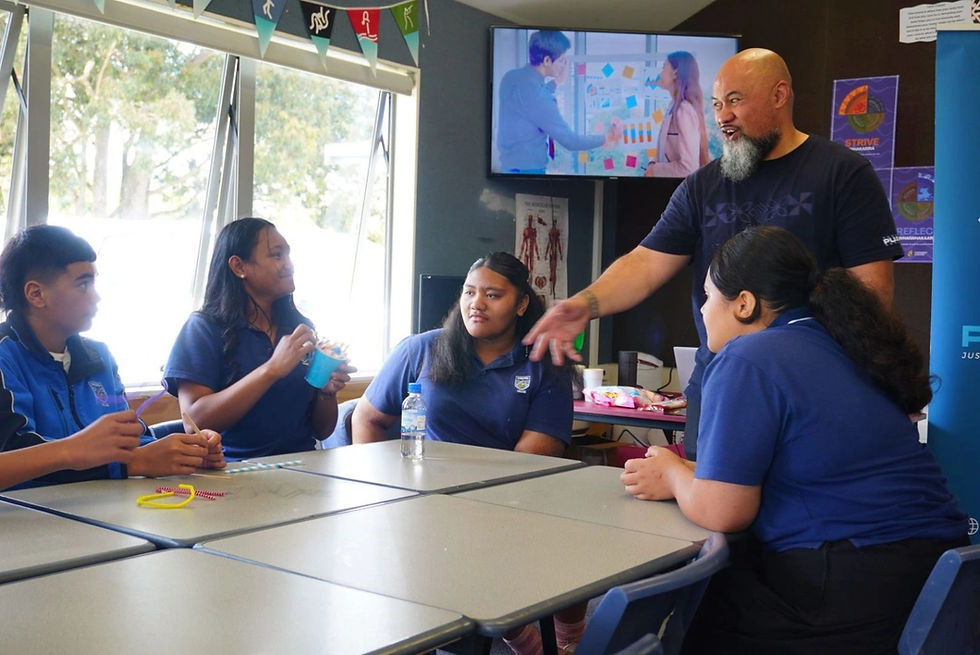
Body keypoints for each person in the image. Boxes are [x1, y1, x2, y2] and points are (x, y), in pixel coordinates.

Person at [523, 48, 903, 460]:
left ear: (779, 96)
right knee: (711, 510)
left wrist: (854, 374)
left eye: (736, 100)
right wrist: (586, 304)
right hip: (720, 380)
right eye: (718, 103)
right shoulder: (702, 186)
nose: (722, 116)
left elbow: (872, 291)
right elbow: (647, 262)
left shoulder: (842, 173)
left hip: (812, 381)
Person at [621, 226, 967, 654]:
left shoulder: (748, 357)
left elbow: (724, 511)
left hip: (851, 583)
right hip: (939, 577)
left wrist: (673, 475)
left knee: (704, 608)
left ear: (744, 304)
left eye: (709, 296)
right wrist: (694, 473)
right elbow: (812, 468)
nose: (704, 309)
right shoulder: (848, 345)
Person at [352, 252, 582, 654]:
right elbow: (367, 418)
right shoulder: (421, 349)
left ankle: (548, 637)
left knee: (570, 557)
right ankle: (516, 633)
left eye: (493, 295)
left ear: (522, 303)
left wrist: (481, 510)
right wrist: (380, 490)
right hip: (422, 510)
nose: (476, 304)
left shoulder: (544, 362)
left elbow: (535, 455)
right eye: (469, 292)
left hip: (509, 507)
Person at [0, 225, 224, 489]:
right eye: (83, 284)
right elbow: (14, 450)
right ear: (36, 294)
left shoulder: (99, 357)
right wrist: (131, 464)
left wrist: (183, 454)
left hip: (99, 512)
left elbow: (132, 439)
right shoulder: (7, 357)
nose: (96, 296)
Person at [164, 217, 353, 460]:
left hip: (304, 469)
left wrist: (326, 392)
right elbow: (194, 422)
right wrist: (272, 369)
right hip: (234, 473)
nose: (289, 265)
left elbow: (322, 430)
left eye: (288, 254)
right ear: (239, 267)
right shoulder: (203, 328)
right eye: (277, 255)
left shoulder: (300, 328)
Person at [497, 30, 622, 174]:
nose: (564, 66)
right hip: (529, 170)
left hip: (507, 166)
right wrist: (606, 137)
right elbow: (570, 141)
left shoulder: (511, 77)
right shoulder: (540, 97)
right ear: (547, 61)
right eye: (562, 61)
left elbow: (528, 99)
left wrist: (555, 83)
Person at [644, 51, 710, 178]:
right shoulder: (672, 107)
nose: (660, 73)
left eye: (664, 67)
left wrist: (654, 170)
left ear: (675, 72)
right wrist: (653, 164)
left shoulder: (684, 111)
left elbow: (688, 169)